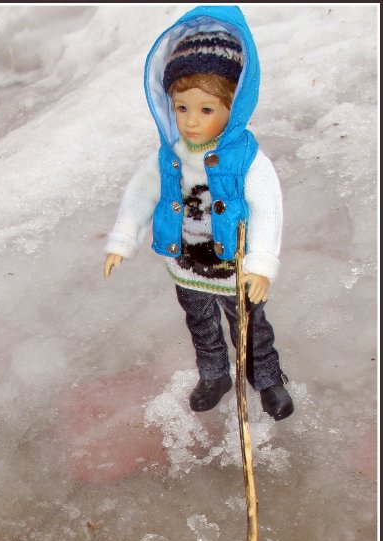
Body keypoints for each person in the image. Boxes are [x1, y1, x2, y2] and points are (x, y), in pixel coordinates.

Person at [104, 6, 293, 421]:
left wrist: (261, 264)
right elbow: (140, 191)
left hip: (234, 266)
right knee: (200, 323)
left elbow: (268, 209)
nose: (190, 122)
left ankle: (267, 378)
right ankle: (214, 374)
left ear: (234, 105)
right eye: (181, 107)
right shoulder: (170, 156)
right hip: (185, 263)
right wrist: (124, 238)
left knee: (249, 326)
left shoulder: (247, 160)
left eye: (206, 110)